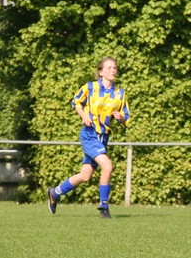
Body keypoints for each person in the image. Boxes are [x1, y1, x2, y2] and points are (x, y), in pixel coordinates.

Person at [47, 57, 129, 219]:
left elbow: (126, 117)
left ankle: (55, 192)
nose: (113, 70)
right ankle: (104, 207)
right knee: (108, 166)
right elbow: (76, 102)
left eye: (115, 68)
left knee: (85, 176)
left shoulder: (120, 93)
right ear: (101, 72)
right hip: (90, 134)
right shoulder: (90, 87)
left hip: (103, 137)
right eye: (109, 67)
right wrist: (84, 115)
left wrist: (120, 117)